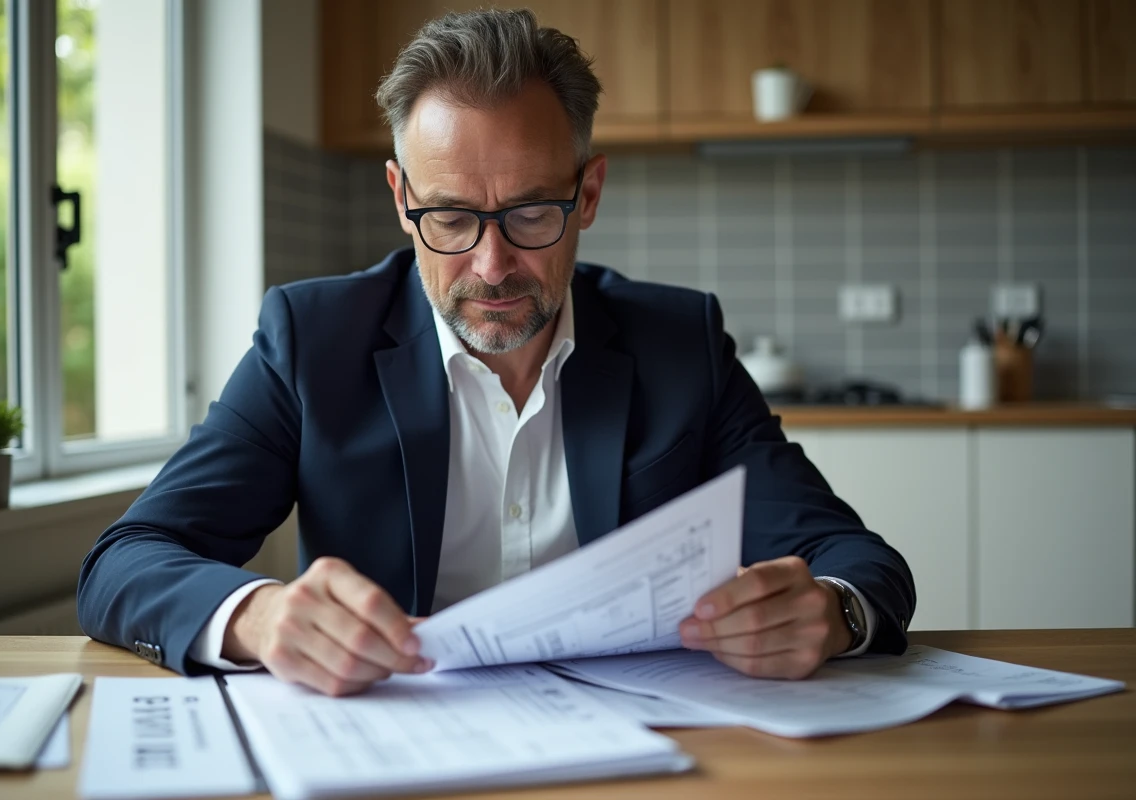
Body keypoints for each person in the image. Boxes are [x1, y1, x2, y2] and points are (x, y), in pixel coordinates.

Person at [78, 8, 915, 696]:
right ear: (401, 198)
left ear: (589, 193)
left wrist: (834, 612)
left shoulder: (679, 345)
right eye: (449, 217)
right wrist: (259, 617)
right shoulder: (311, 340)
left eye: (530, 213)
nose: (490, 265)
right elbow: (125, 562)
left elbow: (858, 561)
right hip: (396, 751)